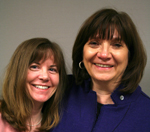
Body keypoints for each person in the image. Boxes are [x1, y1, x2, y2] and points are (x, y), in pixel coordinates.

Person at [51, 8, 150, 132]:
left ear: (130, 55)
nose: (104, 54)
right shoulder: (58, 91)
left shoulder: (147, 112)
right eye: (94, 43)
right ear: (82, 51)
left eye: (116, 45)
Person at [0, 38, 67, 132]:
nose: (45, 76)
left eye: (52, 69)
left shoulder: (57, 126)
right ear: (18, 72)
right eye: (34, 67)